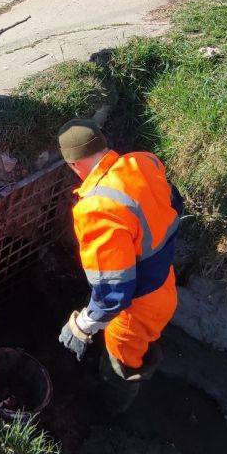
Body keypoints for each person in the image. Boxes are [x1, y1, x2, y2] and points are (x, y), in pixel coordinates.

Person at [57, 119, 183, 415]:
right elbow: (174, 203)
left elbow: (115, 293)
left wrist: (81, 327)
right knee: (146, 339)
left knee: (121, 366)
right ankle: (147, 352)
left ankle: (110, 411)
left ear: (75, 166)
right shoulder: (143, 161)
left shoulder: (96, 209)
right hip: (165, 283)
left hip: (135, 310)